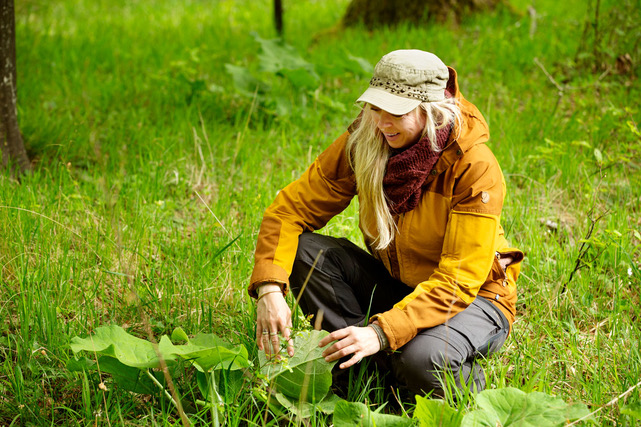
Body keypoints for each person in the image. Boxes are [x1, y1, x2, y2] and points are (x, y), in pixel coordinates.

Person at [248, 49, 524, 397]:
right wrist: (270, 288)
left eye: (396, 111)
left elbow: (458, 280)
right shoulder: (365, 140)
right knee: (306, 253)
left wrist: (380, 333)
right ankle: (361, 375)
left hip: (474, 298)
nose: (382, 122)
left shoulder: (474, 166)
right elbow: (290, 209)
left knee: (423, 358)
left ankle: (459, 389)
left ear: (431, 111)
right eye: (376, 107)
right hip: (402, 286)